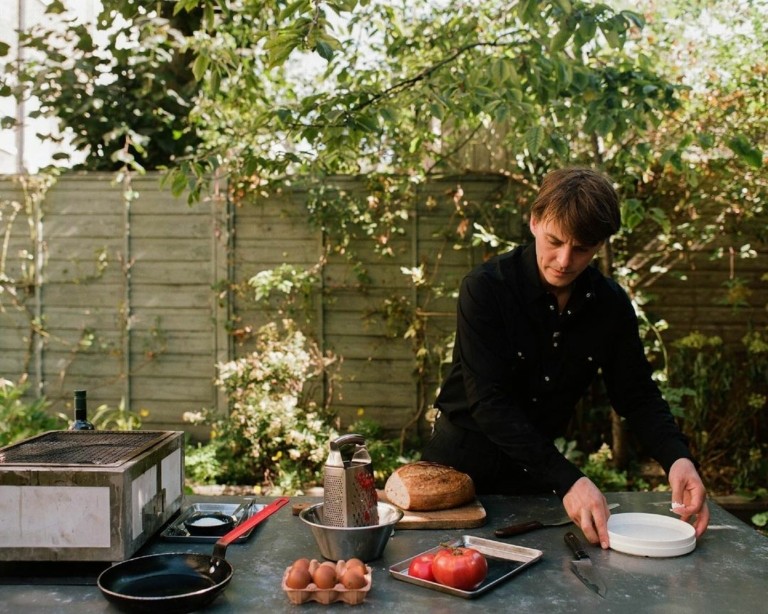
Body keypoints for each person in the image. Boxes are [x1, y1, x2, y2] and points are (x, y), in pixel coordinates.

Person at [422, 167, 709, 548]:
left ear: (600, 244)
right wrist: (570, 480)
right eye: (555, 241)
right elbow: (489, 403)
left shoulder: (610, 305)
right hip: (458, 472)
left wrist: (678, 459)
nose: (563, 260)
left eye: (582, 249)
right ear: (535, 221)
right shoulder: (486, 289)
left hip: (536, 477)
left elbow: (636, 394)